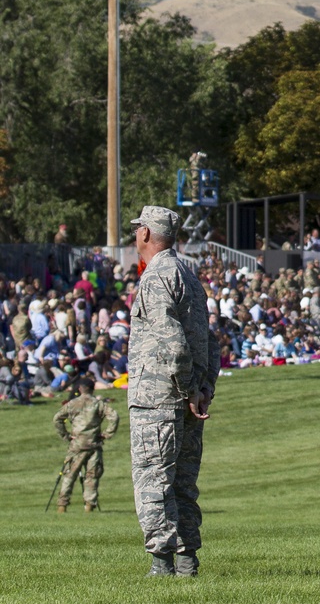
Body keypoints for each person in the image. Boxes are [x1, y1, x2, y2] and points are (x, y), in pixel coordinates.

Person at [127, 205, 220, 577]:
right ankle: (187, 563)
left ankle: (161, 566)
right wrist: (201, 389)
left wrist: (185, 389)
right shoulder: (189, 275)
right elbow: (209, 342)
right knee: (182, 483)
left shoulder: (155, 277)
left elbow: (175, 344)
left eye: (138, 229)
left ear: (148, 234)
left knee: (154, 479)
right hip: (188, 398)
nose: (136, 235)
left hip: (159, 398)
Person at [53, 374, 119, 512]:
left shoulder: (72, 403)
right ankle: (89, 505)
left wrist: (65, 435)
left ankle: (62, 505)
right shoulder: (98, 403)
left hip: (76, 444)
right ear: (92, 389)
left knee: (69, 475)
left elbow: (57, 419)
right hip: (94, 444)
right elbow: (114, 416)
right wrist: (106, 434)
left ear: (80, 389)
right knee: (92, 476)